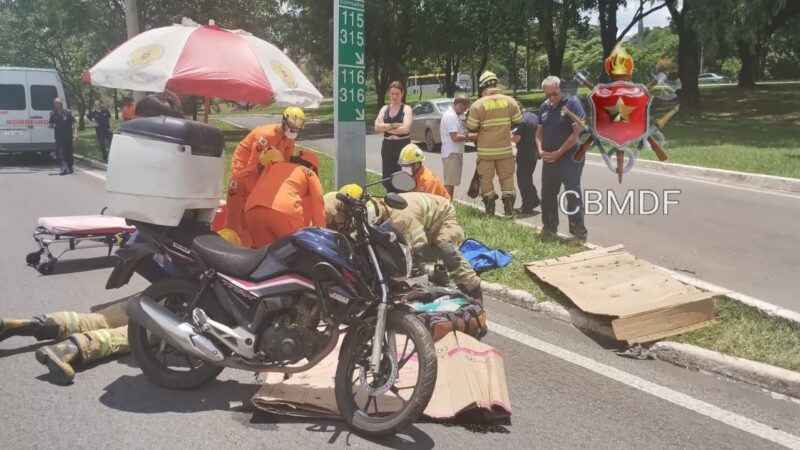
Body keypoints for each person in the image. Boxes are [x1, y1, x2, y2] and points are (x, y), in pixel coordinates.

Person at [0, 91, 189, 385]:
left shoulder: (142, 165)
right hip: (184, 288)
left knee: (105, 317)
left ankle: (30, 324)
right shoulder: (183, 161)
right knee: (137, 333)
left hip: (154, 267)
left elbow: (135, 236)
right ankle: (69, 349)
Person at [325, 190, 482, 300]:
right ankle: (435, 277)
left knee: (445, 249)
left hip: (442, 216)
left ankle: (472, 289)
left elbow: (418, 249)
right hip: (422, 222)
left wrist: (407, 281)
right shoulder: (373, 216)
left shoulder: (400, 218)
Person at [536, 75, 587, 242]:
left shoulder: (572, 104)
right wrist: (540, 150)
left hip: (569, 157)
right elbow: (539, 132)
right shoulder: (544, 107)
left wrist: (559, 152)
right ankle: (549, 227)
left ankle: (578, 234)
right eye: (547, 95)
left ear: (561, 89)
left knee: (572, 193)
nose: (551, 98)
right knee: (548, 193)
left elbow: (575, 135)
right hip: (549, 157)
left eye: (554, 94)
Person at [466, 71, 522, 217]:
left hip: (485, 153)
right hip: (505, 150)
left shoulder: (478, 105)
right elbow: (518, 121)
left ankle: (490, 212)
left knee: (486, 180)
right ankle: (509, 212)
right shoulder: (510, 101)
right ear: (496, 83)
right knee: (507, 179)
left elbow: (471, 127)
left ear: (482, 86)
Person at [244, 151, 324, 247]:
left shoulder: (273, 167)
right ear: (312, 167)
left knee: (266, 257)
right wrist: (321, 237)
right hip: (284, 211)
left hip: (252, 209)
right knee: (296, 255)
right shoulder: (309, 173)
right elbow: (318, 207)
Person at [225, 148, 285, 248]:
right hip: (242, 232)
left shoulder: (275, 180)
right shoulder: (240, 180)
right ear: (260, 165)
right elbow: (233, 214)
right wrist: (238, 240)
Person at [231, 106, 305, 176]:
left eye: (298, 125)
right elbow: (254, 162)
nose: (294, 128)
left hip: (263, 159)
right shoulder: (267, 136)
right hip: (244, 156)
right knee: (244, 182)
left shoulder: (290, 140)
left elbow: (287, 162)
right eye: (292, 124)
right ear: (284, 120)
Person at [373, 81, 412, 192]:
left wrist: (385, 128)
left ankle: (402, 200)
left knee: (401, 178)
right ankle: (390, 199)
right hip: (387, 146)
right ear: (389, 94)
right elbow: (376, 127)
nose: (394, 96)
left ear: (402, 94)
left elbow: (406, 129)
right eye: (392, 93)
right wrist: (393, 125)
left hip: (402, 146)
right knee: (387, 179)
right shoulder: (384, 109)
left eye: (397, 94)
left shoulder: (406, 109)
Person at [511, 100, 541, 215]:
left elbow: (516, 139)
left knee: (523, 181)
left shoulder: (522, 120)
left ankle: (527, 207)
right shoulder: (533, 116)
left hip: (524, 154)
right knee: (527, 179)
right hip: (533, 152)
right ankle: (534, 200)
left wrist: (510, 136)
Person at [439, 94, 471, 198]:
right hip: (451, 154)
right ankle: (447, 206)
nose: (464, 111)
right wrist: (470, 136)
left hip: (455, 153)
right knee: (449, 184)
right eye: (464, 108)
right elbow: (455, 137)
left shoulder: (455, 116)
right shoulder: (450, 116)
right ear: (460, 105)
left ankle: (448, 205)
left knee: (451, 182)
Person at [48, 97, 78, 175]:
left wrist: (76, 134)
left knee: (69, 153)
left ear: (62, 104)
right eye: (56, 103)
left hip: (68, 136)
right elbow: (50, 125)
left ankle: (70, 167)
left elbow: (74, 122)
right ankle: (63, 168)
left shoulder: (67, 113)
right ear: (54, 104)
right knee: (61, 153)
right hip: (59, 137)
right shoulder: (52, 114)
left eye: (59, 103)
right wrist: (52, 125)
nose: (58, 104)